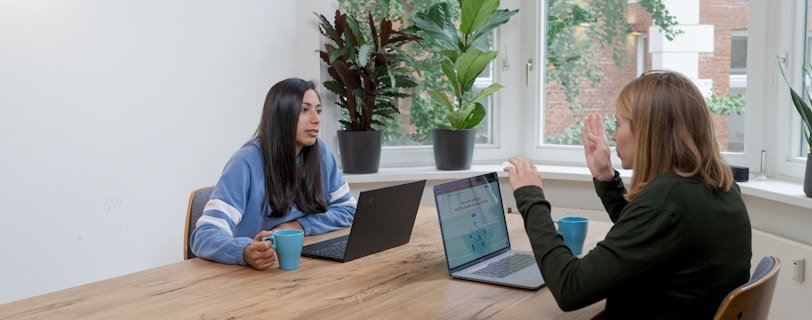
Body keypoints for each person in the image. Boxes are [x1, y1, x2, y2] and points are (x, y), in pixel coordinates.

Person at [504, 70, 752, 319]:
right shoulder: (719, 189)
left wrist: (530, 197)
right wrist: (606, 177)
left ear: (646, 132)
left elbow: (570, 287)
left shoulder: (666, 202)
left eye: (618, 124)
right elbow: (647, 237)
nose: (612, 135)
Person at [191, 78, 356, 270]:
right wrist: (244, 251)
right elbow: (204, 234)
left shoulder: (321, 154)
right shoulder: (245, 162)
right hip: (249, 278)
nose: (316, 119)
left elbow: (348, 209)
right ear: (281, 115)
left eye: (318, 110)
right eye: (304, 110)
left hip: (303, 268)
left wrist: (300, 226)